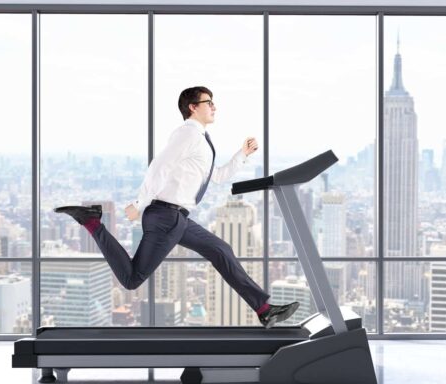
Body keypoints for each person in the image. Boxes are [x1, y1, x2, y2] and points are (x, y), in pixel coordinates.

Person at [55, 86, 299, 328]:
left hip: (176, 218)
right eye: (208, 102)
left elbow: (217, 176)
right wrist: (139, 205)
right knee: (131, 279)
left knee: (220, 250)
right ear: (193, 107)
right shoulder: (188, 134)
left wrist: (242, 155)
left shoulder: (201, 139)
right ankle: (92, 222)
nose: (214, 106)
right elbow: (159, 167)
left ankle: (264, 309)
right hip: (165, 217)